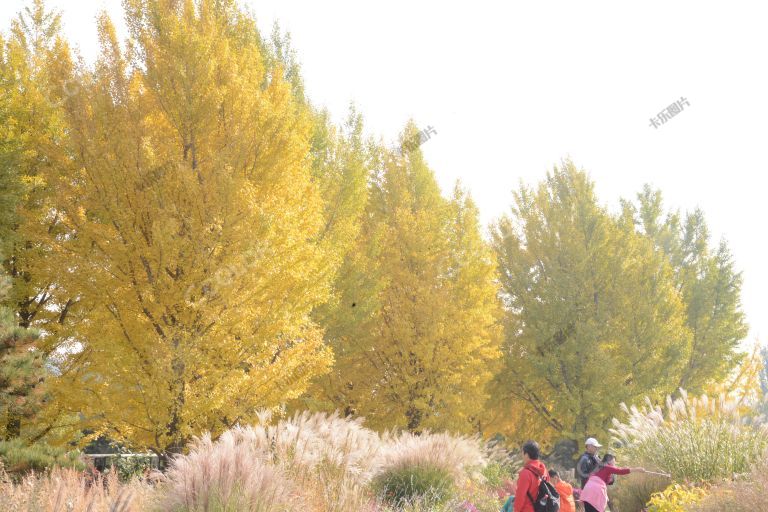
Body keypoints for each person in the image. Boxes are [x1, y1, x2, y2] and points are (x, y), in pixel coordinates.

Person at [580, 454, 645, 512]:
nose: (615, 463)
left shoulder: (599, 466)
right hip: (596, 491)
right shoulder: (608, 467)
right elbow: (620, 471)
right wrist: (637, 469)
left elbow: (612, 474)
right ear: (609, 461)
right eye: (614, 461)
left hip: (587, 490)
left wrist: (624, 468)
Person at [513, 441, 549, 512]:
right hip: (541, 509)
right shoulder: (544, 471)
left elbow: (520, 497)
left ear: (526, 454)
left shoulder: (526, 473)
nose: (522, 456)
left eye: (522, 453)